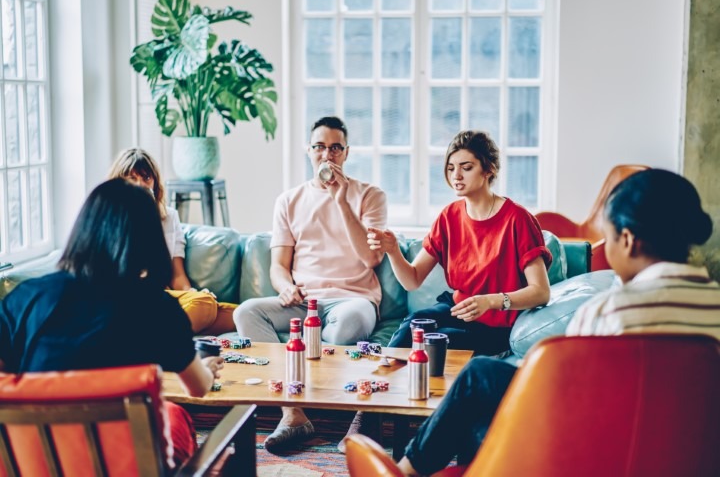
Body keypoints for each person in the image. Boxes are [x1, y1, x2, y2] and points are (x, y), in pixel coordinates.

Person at [392, 168, 720, 476]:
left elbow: (571, 403)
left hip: (600, 455)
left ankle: (407, 469)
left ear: (628, 240)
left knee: (479, 385)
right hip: (690, 458)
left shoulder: (609, 312)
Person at [0, 179, 225, 468]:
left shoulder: (26, 298)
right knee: (176, 416)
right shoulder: (158, 307)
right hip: (126, 466)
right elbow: (198, 388)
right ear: (149, 240)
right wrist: (205, 370)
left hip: (35, 464)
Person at [232, 116, 387, 451]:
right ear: (309, 150)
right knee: (247, 312)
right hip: (303, 302)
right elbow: (278, 266)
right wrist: (285, 286)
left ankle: (337, 412)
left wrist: (341, 200)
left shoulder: (370, 196)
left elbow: (371, 259)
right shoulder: (289, 200)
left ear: (346, 153)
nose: (326, 156)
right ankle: (293, 414)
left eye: (335, 148)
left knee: (347, 324)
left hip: (353, 299)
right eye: (319, 147)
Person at [369, 129, 552, 354]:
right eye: (451, 168)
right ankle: (384, 382)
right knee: (413, 327)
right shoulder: (449, 216)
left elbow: (541, 292)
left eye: (466, 168)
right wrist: (393, 250)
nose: (456, 176)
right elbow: (412, 280)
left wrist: (491, 301)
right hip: (457, 308)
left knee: (437, 343)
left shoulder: (518, 220)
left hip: (497, 325)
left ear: (489, 170)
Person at [108, 148, 237, 335]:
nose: (141, 185)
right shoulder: (109, 219)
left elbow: (177, 277)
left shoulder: (169, 218)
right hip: (129, 299)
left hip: (163, 297)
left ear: (155, 183)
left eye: (146, 178)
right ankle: (158, 341)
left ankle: (153, 336)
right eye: (133, 178)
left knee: (240, 313)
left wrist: (192, 293)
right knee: (205, 304)